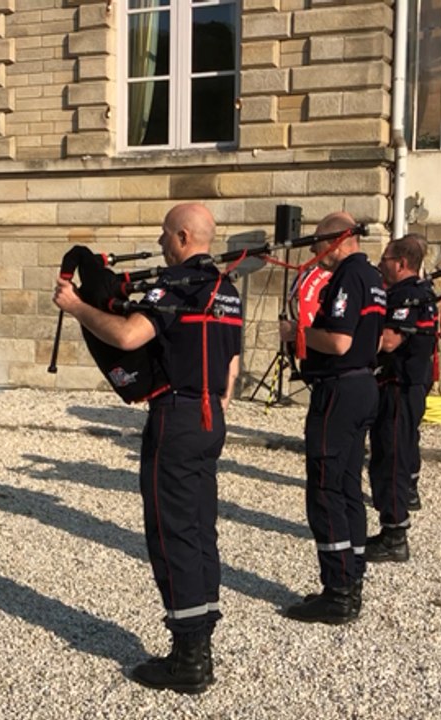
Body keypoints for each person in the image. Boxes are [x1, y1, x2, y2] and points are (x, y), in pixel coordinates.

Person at [52, 202, 242, 694]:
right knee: (200, 529)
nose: (160, 242)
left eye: (164, 234)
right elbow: (233, 368)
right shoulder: (227, 290)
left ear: (182, 237)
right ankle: (200, 638)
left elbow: (130, 334)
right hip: (211, 415)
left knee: (172, 532)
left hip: (177, 417)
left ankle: (189, 660)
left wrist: (76, 306)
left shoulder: (176, 285)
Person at [277, 211, 385, 625]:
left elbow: (339, 340)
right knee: (346, 486)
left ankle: (338, 591)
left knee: (325, 489)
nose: (316, 254)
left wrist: (297, 334)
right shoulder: (373, 278)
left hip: (340, 388)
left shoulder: (347, 278)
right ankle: (351, 574)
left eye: (319, 244)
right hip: (362, 385)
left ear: (337, 241)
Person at [367, 234, 438, 562]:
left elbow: (390, 341)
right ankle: (392, 523)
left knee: (391, 457)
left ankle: (394, 534)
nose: (381, 264)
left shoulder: (409, 295)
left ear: (401, 263)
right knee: (394, 451)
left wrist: (350, 338)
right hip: (403, 386)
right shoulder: (412, 292)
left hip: (399, 385)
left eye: (385, 259)